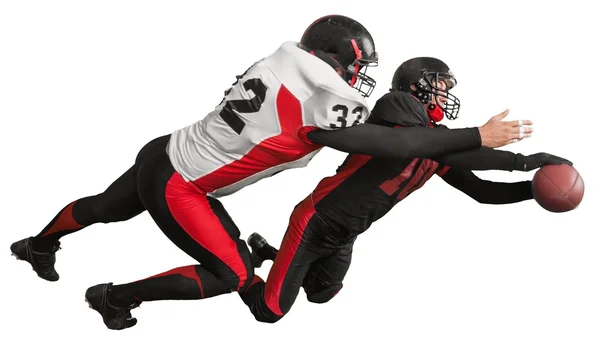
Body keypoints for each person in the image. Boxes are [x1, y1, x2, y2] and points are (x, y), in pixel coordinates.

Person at [10, 15, 531, 330]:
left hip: (168, 148)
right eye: (355, 68)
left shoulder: (281, 61)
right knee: (233, 274)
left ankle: (38, 243)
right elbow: (379, 140)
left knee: (105, 208)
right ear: (332, 59)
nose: (358, 79)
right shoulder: (320, 99)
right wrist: (476, 138)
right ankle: (115, 298)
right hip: (183, 185)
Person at [240, 57, 572, 323]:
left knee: (321, 292)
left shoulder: (436, 144)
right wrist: (521, 160)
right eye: (440, 84)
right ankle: (242, 265)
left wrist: (536, 190)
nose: (445, 92)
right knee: (271, 312)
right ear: (417, 86)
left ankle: (273, 253)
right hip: (317, 221)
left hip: (346, 232)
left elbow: (482, 191)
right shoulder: (398, 107)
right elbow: (418, 144)